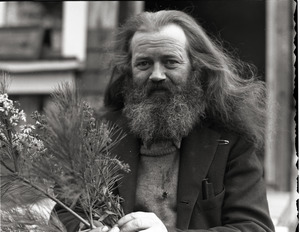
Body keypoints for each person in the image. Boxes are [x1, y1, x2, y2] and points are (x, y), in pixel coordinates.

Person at [56, 10, 275, 232]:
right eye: (144, 64)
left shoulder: (231, 140)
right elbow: (65, 212)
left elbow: (256, 227)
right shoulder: (96, 136)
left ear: (196, 68)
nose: (157, 75)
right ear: (128, 71)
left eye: (171, 62)